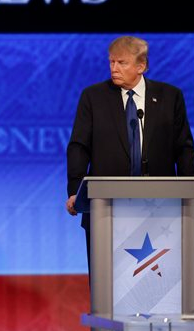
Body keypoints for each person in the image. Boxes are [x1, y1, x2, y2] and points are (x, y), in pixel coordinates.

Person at [65, 36, 194, 270]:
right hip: (106, 208)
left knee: (159, 280)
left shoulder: (169, 97)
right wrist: (75, 191)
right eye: (111, 62)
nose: (114, 68)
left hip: (159, 206)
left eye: (122, 63)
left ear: (141, 66)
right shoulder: (93, 97)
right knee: (108, 284)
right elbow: (78, 146)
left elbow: (183, 148)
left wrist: (190, 193)